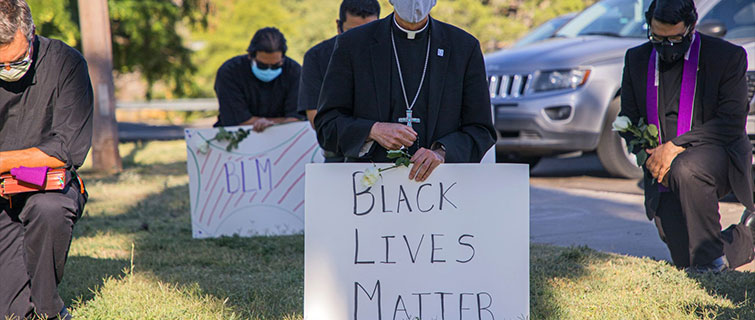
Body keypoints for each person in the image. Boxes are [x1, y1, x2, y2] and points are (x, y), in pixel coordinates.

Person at [618, 0, 755, 273]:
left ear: (691, 27)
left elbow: (730, 123)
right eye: (657, 38)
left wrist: (675, 147)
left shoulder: (726, 56)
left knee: (687, 167)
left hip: (717, 153)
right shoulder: (637, 58)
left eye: (674, 38)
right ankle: (746, 238)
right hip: (662, 164)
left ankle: (711, 265)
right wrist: (647, 154)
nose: (666, 46)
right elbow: (628, 118)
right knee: (685, 259)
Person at [314, 0, 495, 181]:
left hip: (442, 188)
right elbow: (327, 125)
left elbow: (480, 129)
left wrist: (442, 152)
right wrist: (372, 130)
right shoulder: (353, 44)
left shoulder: (463, 47)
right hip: (370, 190)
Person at [0, 0, 91, 318]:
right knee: (9, 312)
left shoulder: (67, 63)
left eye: (17, 59)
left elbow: (67, 149)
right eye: (0, 66)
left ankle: (50, 308)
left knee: (50, 208)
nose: (9, 70)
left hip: (46, 187)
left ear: (32, 33)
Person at [298, 0, 380, 162]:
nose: (360, 40)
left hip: (385, 156)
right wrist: (370, 131)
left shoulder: (391, 54)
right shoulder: (317, 57)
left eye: (369, 31)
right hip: (339, 155)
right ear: (339, 26)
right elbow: (317, 119)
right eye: (353, 32)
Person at [214, 27, 304, 131]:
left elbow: (296, 120)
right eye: (262, 66)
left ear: (283, 58)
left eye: (275, 66)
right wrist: (280, 122)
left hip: (284, 138)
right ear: (250, 56)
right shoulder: (229, 72)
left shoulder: (294, 72)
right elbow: (237, 121)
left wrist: (266, 123)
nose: (269, 70)